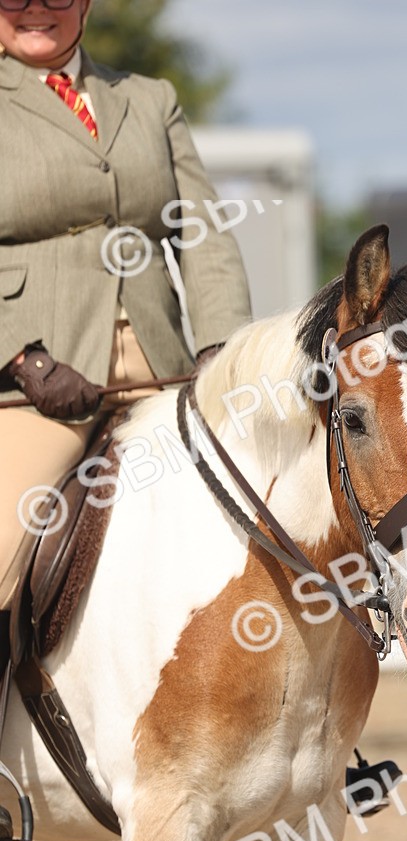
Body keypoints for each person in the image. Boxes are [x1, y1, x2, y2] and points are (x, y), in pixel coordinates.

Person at [0, 0, 252, 702]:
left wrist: (222, 351)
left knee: (275, 501)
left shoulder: (149, 100)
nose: (33, 10)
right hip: (34, 386)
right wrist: (24, 359)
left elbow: (203, 235)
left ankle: (313, 735)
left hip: (163, 368)